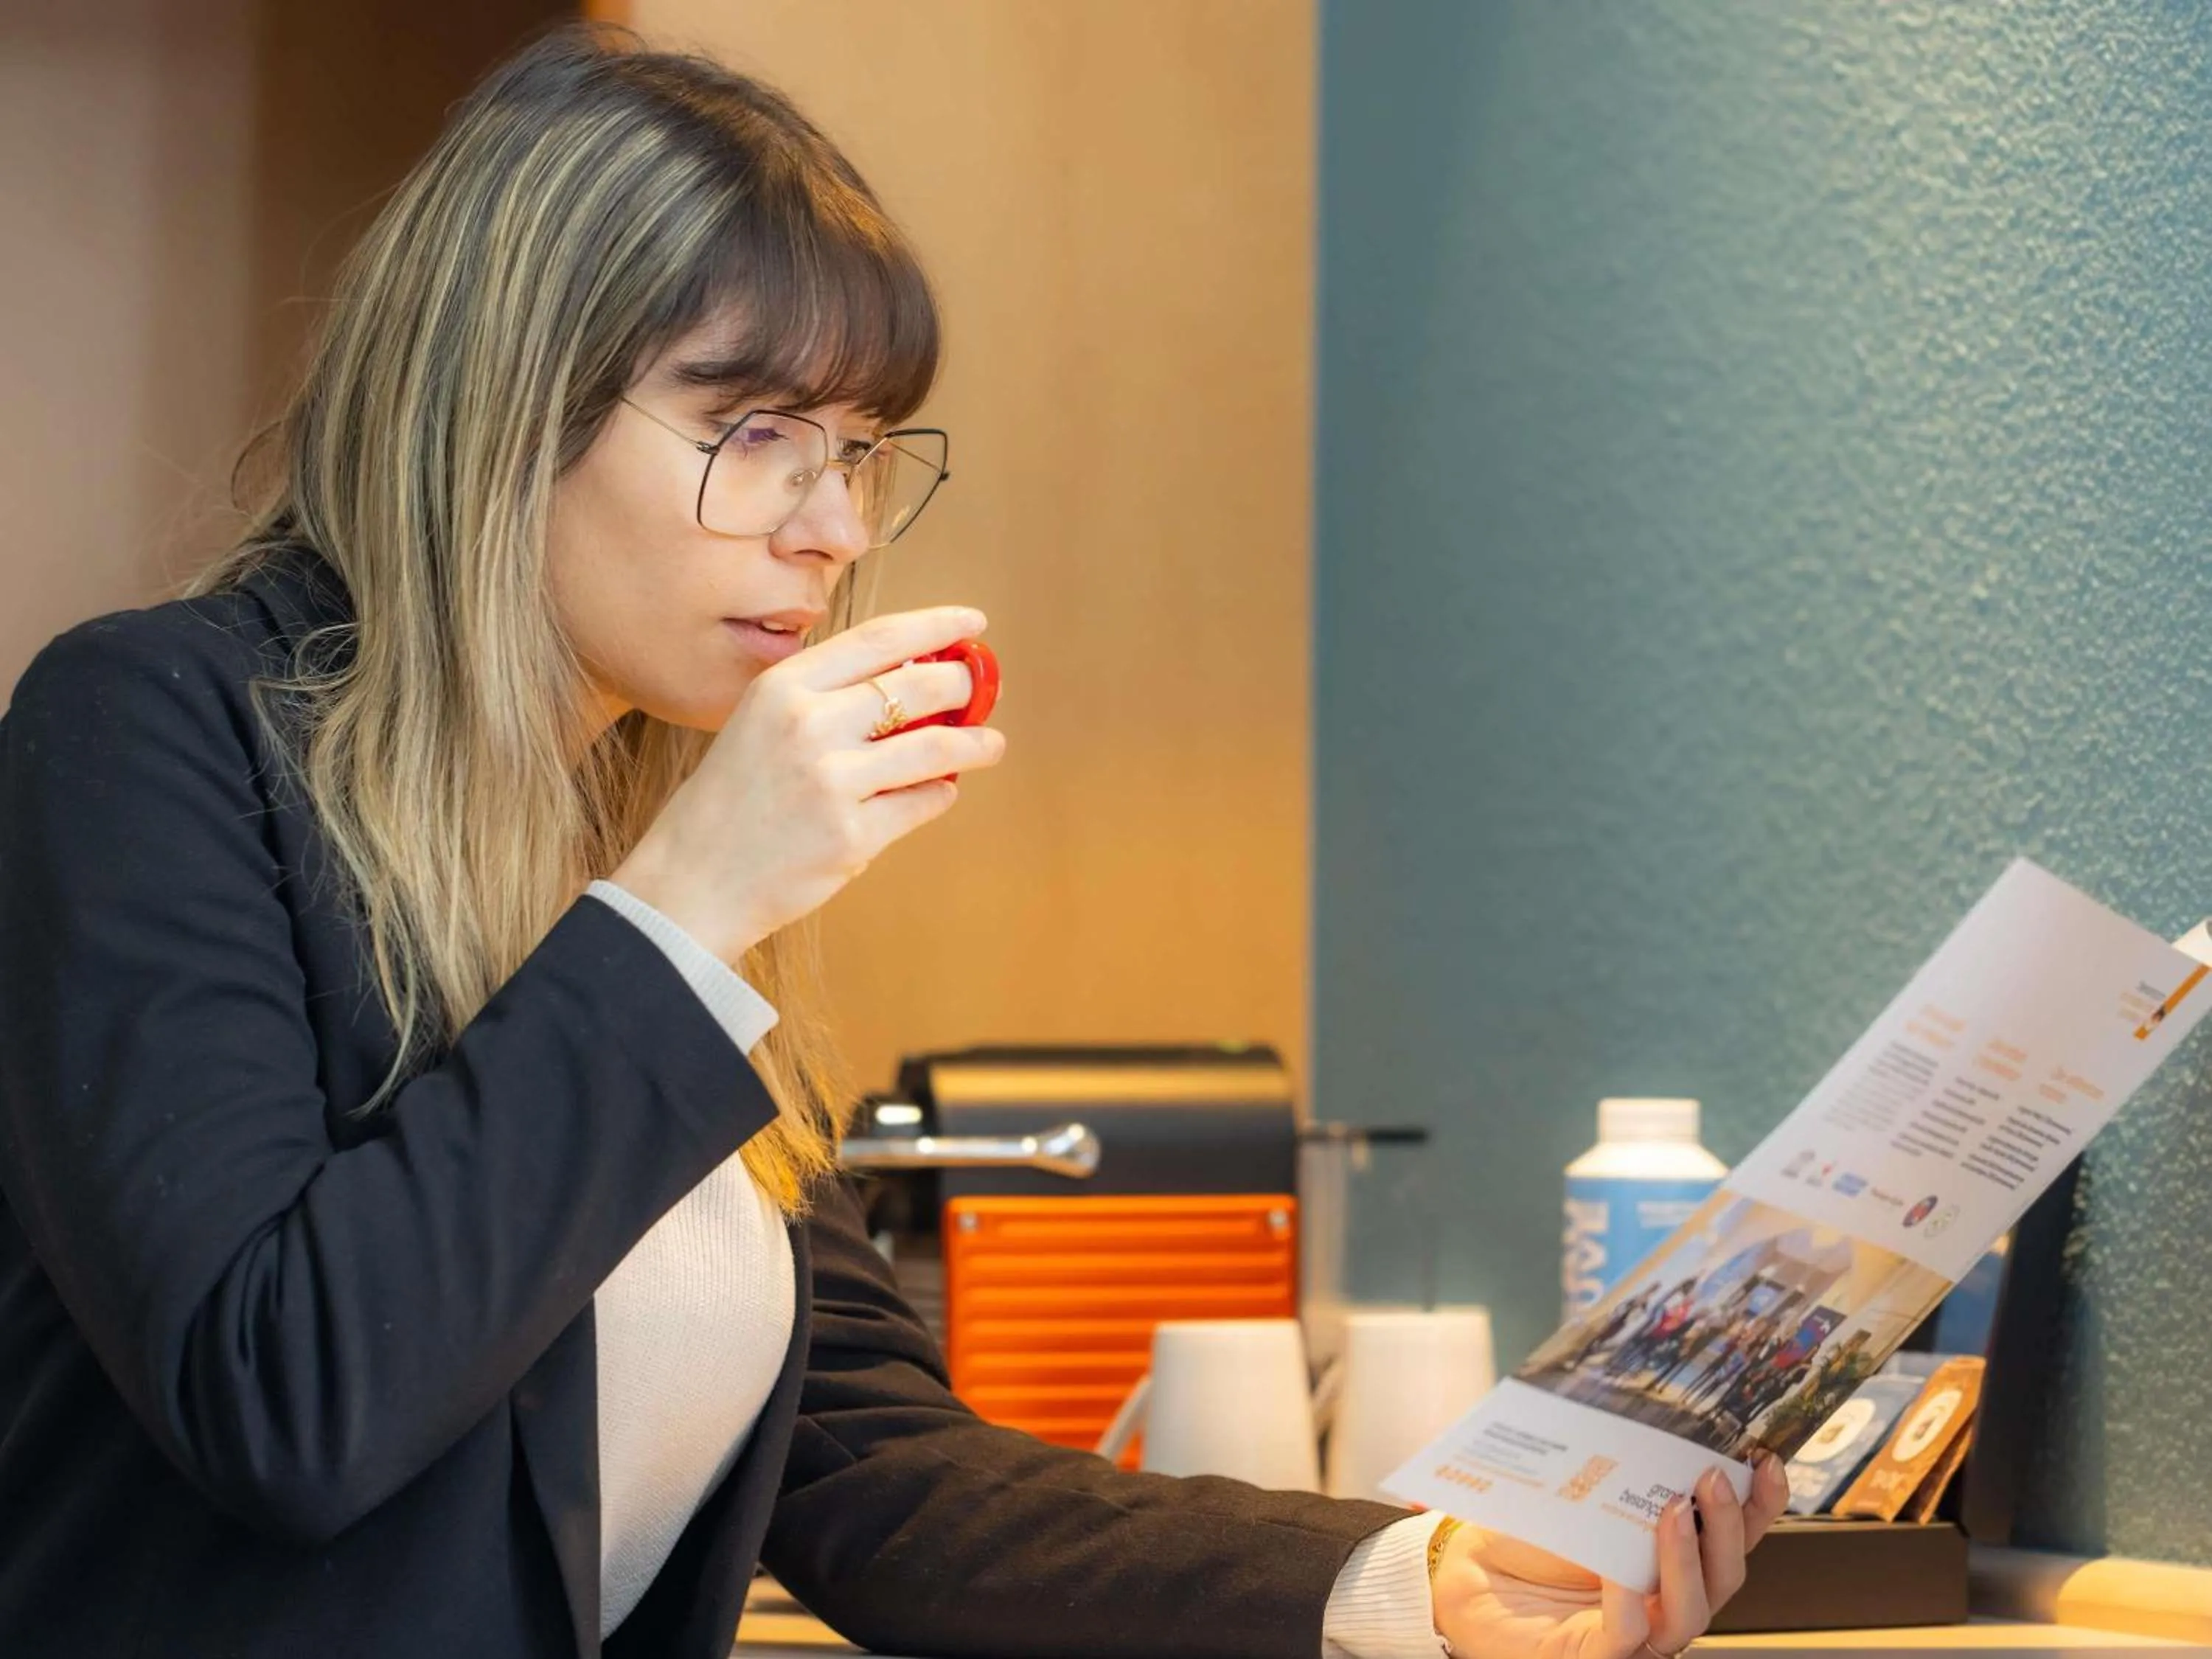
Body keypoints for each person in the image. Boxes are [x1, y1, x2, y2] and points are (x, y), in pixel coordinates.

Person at [0, 27, 1786, 1659]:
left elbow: (876, 1476)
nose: (835, 525)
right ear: (500, 405)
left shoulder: (612, 854)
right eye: (754, 429)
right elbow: (284, 1395)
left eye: (859, 448)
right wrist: (689, 913)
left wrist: (1405, 1587)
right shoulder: (152, 734)